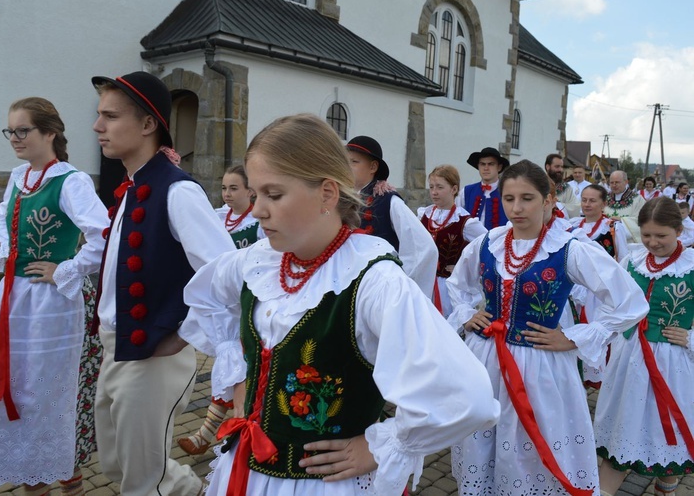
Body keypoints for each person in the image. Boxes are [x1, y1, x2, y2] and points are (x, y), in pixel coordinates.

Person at [160, 113, 500, 496]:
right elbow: (207, 299)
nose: (257, 211)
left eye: (274, 195)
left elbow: (468, 397)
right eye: (255, 195)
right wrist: (239, 372)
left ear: (327, 193)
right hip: (248, 472)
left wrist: (387, 443)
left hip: (327, 485)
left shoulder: (373, 280)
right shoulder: (258, 261)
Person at [446, 160, 648, 496]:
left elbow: (630, 302)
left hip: (538, 367)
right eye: (509, 199)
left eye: (527, 198)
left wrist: (574, 336)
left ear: (548, 201)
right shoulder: (488, 242)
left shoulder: (568, 249)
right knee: (482, 439)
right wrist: (468, 312)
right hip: (485, 361)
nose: (517, 207)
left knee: (529, 444)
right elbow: (458, 284)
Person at [90, 71, 235, 496]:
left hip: (153, 352)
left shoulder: (177, 191)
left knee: (141, 480)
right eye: (100, 115)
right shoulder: (134, 187)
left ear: (149, 124)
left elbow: (226, 273)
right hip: (116, 345)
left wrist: (185, 332)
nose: (98, 126)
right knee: (116, 462)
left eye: (110, 116)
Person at [0, 97, 109, 495]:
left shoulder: (71, 181)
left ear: (49, 133)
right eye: (10, 131)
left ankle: (60, 474)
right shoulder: (18, 176)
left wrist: (64, 268)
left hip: (53, 304)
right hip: (13, 298)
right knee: (12, 383)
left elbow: (103, 236)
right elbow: (4, 220)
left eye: (22, 130)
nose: (14, 138)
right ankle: (35, 474)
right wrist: (9, 252)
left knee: (45, 390)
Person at [594, 197, 694, 496]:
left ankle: (667, 487)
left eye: (661, 235)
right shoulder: (633, 260)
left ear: (679, 230)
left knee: (666, 437)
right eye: (647, 234)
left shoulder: (691, 267)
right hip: (630, 359)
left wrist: (690, 337)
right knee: (624, 432)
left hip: (673, 364)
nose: (652, 242)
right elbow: (612, 302)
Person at [177, 165, 265, 457]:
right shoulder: (216, 218)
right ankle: (212, 433)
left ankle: (220, 431)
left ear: (250, 191)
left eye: (234, 188)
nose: (227, 194)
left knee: (242, 368)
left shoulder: (259, 222)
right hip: (225, 305)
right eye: (224, 188)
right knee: (231, 365)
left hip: (250, 304)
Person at [346, 135, 437, 297]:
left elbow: (424, 247)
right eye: (346, 162)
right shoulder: (346, 200)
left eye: (354, 162)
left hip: (379, 289)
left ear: (373, 167)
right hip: (353, 287)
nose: (347, 167)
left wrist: (400, 283)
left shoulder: (389, 200)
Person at [417, 165, 487, 315]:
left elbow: (489, 245)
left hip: (447, 288)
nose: (434, 192)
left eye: (440, 187)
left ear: (454, 189)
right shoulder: (423, 215)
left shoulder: (465, 222)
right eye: (431, 187)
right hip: (424, 283)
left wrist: (464, 267)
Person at [570, 184, 630, 261]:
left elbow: (623, 258)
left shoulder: (613, 227)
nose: (587, 204)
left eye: (592, 201)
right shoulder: (573, 224)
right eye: (584, 200)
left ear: (604, 204)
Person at [457, 146, 510, 230]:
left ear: (499, 167)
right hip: (471, 242)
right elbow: (457, 218)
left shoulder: (508, 192)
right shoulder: (466, 191)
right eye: (482, 164)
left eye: (491, 164)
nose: (486, 168)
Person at [605, 170, 646, 243]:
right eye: (611, 183)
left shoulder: (637, 199)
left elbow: (643, 220)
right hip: (606, 240)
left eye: (617, 182)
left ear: (626, 182)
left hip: (628, 243)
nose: (614, 185)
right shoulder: (604, 198)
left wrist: (622, 220)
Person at [544, 153, 580, 218]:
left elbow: (575, 207)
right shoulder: (538, 184)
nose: (560, 170)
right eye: (557, 166)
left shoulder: (565, 187)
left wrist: (557, 205)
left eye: (561, 167)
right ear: (548, 167)